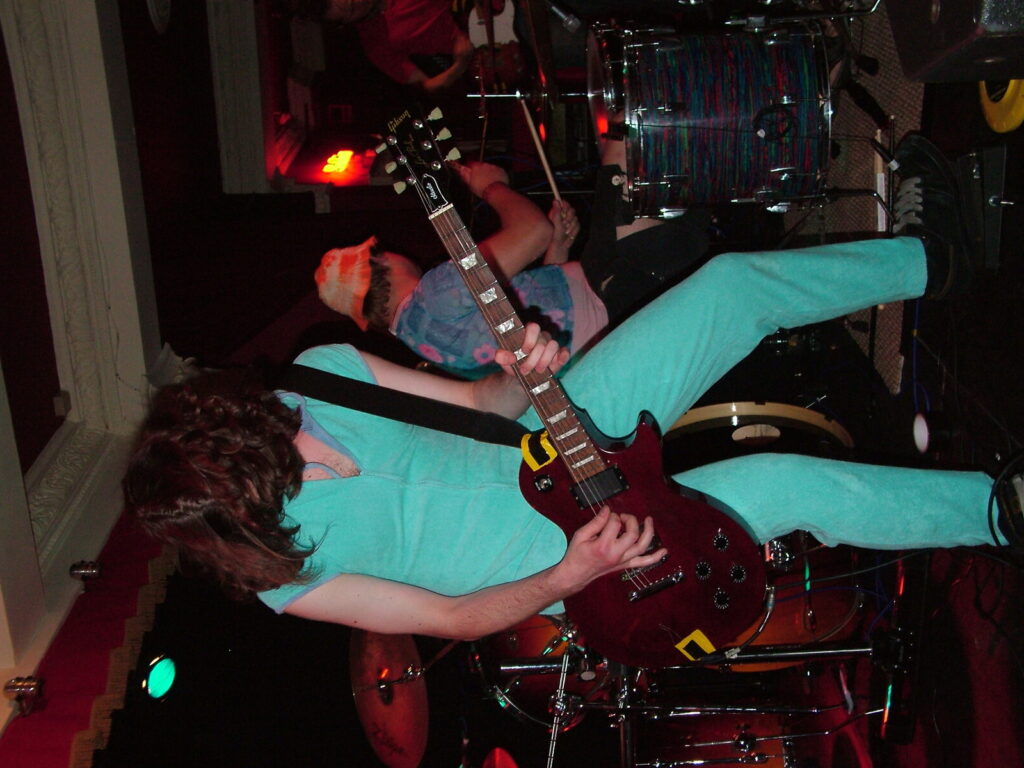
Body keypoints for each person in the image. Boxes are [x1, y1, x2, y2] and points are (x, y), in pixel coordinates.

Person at [123, 134, 1022, 644]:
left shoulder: (323, 374)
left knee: (728, 290)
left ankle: (932, 258)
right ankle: (997, 512)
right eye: (291, 485)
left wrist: (520, 369)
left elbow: (479, 408)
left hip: (551, 439)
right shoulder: (285, 579)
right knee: (786, 486)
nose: (321, 461)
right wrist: (571, 573)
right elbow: (449, 616)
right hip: (570, 547)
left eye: (289, 442)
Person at [317, 156, 713, 374]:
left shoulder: (420, 336)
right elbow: (532, 230)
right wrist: (491, 186)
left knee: (633, 162)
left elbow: (525, 327)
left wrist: (557, 248)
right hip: (613, 292)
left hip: (610, 322)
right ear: (380, 265)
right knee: (632, 151)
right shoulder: (434, 294)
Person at [319, 0, 475, 94]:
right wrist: (460, 65)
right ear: (346, 23)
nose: (359, 2)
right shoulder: (375, 45)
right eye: (352, 10)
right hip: (478, 39)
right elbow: (427, 85)